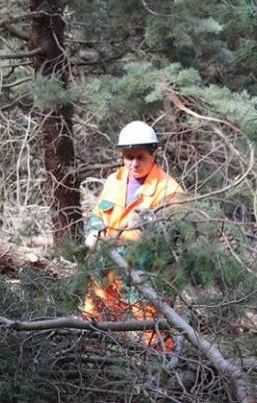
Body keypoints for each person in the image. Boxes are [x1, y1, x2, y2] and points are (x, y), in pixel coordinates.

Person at [82, 120, 185, 351]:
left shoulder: (170, 191)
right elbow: (99, 213)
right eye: (129, 157)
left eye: (140, 157)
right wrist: (93, 230)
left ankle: (166, 374)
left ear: (153, 154)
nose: (134, 163)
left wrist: (146, 224)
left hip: (146, 273)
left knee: (151, 330)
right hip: (107, 268)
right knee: (92, 320)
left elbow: (172, 237)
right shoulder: (114, 181)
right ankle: (91, 367)